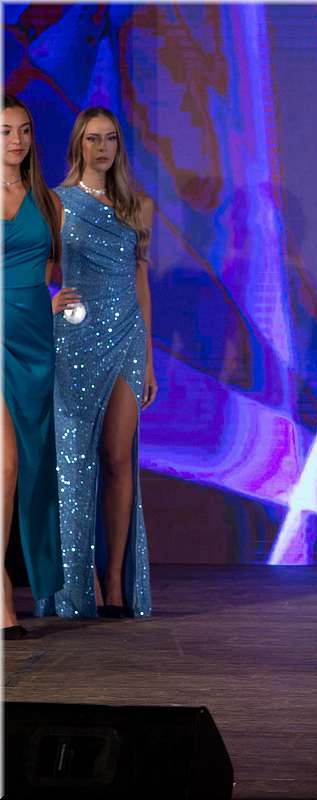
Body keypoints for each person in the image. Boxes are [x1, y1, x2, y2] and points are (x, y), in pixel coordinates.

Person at [51, 107, 156, 618]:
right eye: (93, 139)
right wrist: (47, 301)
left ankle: (114, 579)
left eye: (110, 138)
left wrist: (149, 360)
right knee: (76, 462)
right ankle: (81, 578)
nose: (102, 148)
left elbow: (141, 283)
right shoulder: (56, 202)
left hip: (127, 338)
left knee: (117, 457)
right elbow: (37, 265)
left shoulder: (138, 206)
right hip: (74, 339)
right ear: (78, 145)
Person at [2, 94, 64, 639]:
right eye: (5, 131)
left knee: (30, 465)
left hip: (35, 339)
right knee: (5, 465)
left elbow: (48, 270)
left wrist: (52, 301)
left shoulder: (45, 199)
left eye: (23, 130)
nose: (16, 140)